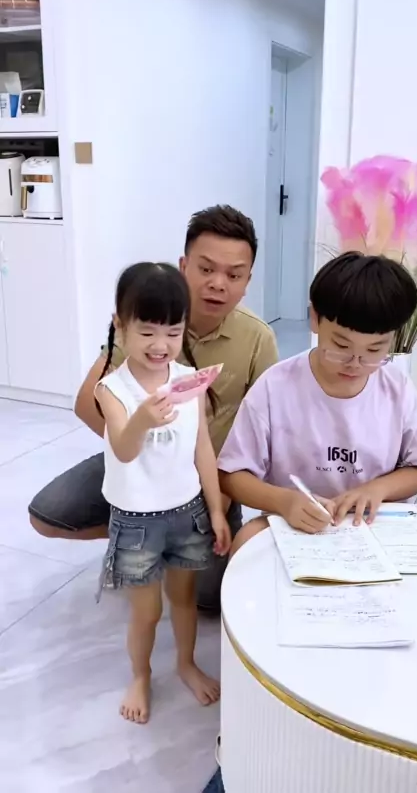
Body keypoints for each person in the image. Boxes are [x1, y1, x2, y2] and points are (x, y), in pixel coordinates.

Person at [28, 205, 278, 611]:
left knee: (209, 599)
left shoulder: (258, 339)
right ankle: (139, 535)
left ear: (247, 281)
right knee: (48, 513)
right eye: (206, 269)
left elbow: (265, 429)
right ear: (183, 266)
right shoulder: (145, 321)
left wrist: (223, 488)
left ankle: (160, 539)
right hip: (139, 460)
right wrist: (138, 450)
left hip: (207, 479)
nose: (218, 284)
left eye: (234, 275)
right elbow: (87, 403)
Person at [218, 252, 417, 552]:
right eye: (340, 345)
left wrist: (377, 489)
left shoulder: (396, 387)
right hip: (295, 523)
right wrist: (284, 501)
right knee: (246, 541)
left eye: (374, 350)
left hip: (373, 524)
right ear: (314, 318)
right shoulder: (275, 387)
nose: (355, 363)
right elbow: (231, 475)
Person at [95, 261, 231, 723]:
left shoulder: (189, 380)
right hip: (136, 520)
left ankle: (186, 664)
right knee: (147, 612)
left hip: (186, 512)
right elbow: (124, 449)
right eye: (147, 331)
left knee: (184, 599)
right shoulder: (112, 389)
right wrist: (142, 419)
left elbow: (203, 449)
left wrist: (215, 511)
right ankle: (140, 675)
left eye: (172, 332)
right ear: (120, 325)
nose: (160, 345)